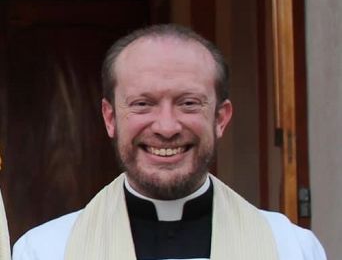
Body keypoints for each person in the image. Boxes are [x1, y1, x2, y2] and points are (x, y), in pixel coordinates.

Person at [12, 24, 326, 260]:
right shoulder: (46, 250)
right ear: (110, 118)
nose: (166, 127)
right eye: (142, 104)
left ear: (220, 118)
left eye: (188, 103)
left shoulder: (291, 248)